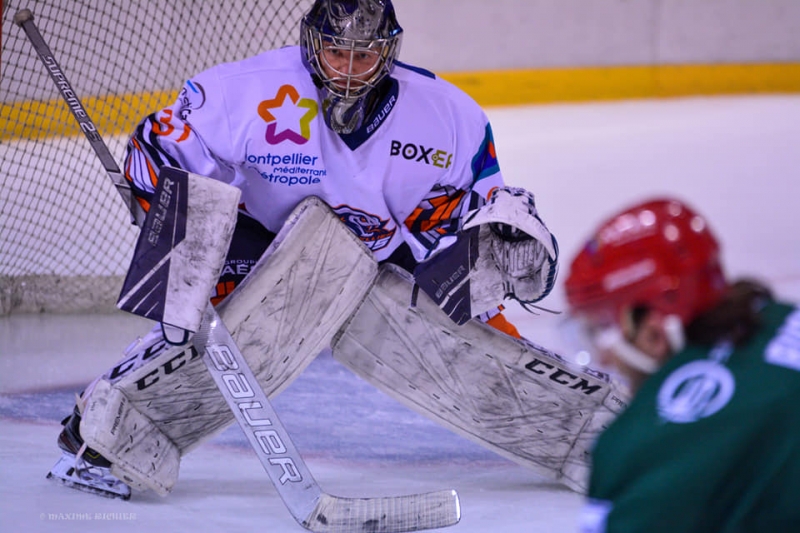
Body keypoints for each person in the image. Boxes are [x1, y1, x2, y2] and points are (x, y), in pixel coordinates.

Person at [51, 0, 559, 497]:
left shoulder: (449, 116)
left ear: (389, 52)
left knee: (465, 329)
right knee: (229, 329)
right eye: (338, 53)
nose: (349, 71)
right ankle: (101, 422)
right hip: (265, 236)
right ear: (313, 44)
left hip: (383, 246)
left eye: (364, 56)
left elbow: (467, 214)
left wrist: (495, 245)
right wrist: (176, 222)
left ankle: (551, 410)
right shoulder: (243, 92)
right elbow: (157, 144)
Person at [564, 197, 800, 532]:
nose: (604, 357)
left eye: (603, 327)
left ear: (652, 331)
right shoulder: (783, 316)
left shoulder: (641, 445)